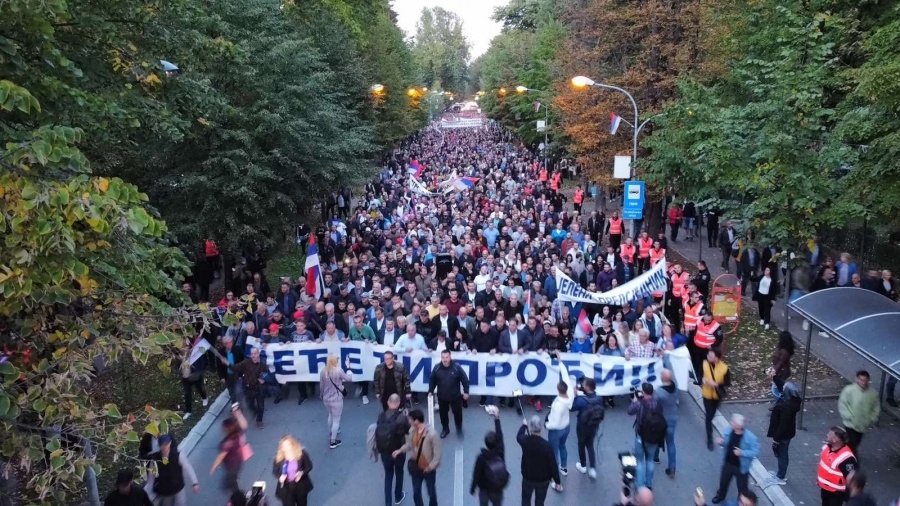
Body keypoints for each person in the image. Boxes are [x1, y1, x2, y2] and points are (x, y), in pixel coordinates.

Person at [393, 409, 442, 506]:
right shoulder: (412, 431)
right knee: (416, 493)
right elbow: (410, 445)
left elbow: (437, 455)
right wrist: (400, 450)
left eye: (410, 419)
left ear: (416, 421)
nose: (409, 421)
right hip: (416, 467)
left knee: (431, 493)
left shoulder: (432, 434)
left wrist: (431, 467)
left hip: (428, 469)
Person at [711, 414, 759, 504]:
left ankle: (741, 502)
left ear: (738, 426)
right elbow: (726, 443)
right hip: (728, 463)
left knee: (742, 487)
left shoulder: (750, 437)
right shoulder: (729, 430)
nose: (730, 423)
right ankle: (720, 496)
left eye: (733, 422)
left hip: (741, 467)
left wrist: (742, 452)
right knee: (723, 481)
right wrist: (722, 442)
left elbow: (756, 451)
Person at [627, 383, 666, 491]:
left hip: (641, 437)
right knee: (650, 460)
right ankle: (648, 484)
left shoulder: (640, 404)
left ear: (643, 392)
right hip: (654, 438)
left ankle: (640, 487)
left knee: (640, 461)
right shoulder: (657, 404)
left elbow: (629, 411)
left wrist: (635, 400)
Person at [517, 415, 562, 504]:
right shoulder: (547, 446)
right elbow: (553, 465)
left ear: (530, 428)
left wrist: (524, 425)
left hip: (528, 478)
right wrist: (557, 482)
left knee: (525, 499)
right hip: (543, 480)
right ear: (541, 428)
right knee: (540, 501)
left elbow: (519, 436)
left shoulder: (525, 441)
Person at [145, 433, 199, 506]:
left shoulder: (178, 455)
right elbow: (151, 476)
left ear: (170, 443)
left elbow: (188, 468)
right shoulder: (155, 459)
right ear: (159, 445)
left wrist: (194, 483)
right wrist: (149, 491)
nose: (164, 446)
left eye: (166, 444)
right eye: (162, 444)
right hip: (165, 491)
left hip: (178, 488)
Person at [469, 405, 508, 505]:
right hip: (497, 488)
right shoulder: (500, 452)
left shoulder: (481, 457)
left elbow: (476, 475)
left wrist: (473, 488)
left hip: (484, 489)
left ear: (486, 443)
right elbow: (500, 435)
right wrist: (497, 418)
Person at [838, 370, 881, 458]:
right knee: (852, 442)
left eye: (865, 380)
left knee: (856, 441)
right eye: (861, 380)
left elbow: (876, 408)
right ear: (856, 379)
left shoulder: (873, 393)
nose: (863, 382)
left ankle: (844, 453)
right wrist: (849, 416)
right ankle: (852, 459)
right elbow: (842, 404)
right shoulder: (849, 390)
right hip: (850, 423)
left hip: (863, 424)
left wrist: (871, 419)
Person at [377, 394, 411, 506]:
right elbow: (408, 431)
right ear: (398, 403)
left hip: (384, 451)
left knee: (388, 474)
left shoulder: (381, 415)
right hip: (398, 450)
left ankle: (388, 502)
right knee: (399, 472)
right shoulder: (401, 417)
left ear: (388, 402)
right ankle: (398, 496)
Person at [428, 349, 470, 438]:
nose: (445, 359)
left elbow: (465, 379)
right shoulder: (437, 368)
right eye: (443, 357)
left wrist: (466, 392)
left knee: (458, 414)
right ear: (441, 357)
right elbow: (432, 380)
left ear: (450, 357)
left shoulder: (457, 367)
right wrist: (430, 391)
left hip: (455, 397)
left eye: (447, 357)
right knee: (443, 414)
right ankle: (445, 429)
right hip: (442, 397)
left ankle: (459, 430)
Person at [766, 378, 801, 485]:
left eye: (785, 388)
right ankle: (780, 473)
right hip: (787, 433)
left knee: (782, 454)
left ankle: (780, 476)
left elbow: (783, 424)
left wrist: (776, 439)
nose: (783, 388)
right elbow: (781, 386)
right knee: (782, 453)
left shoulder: (787, 407)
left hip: (783, 435)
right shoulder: (791, 400)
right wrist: (775, 376)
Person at [210, 404, 250, 495]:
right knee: (232, 479)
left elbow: (221, 456)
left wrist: (214, 466)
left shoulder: (227, 443)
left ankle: (239, 497)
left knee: (231, 483)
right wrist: (238, 414)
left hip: (231, 466)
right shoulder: (238, 433)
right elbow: (244, 425)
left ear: (227, 429)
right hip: (239, 462)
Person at [570, 377, 604, 479]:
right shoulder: (599, 398)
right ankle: (592, 468)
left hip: (582, 427)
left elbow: (571, 407)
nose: (582, 386)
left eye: (584, 384)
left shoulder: (582, 401)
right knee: (590, 445)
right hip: (594, 426)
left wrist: (574, 395)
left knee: (581, 444)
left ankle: (583, 465)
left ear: (588, 387)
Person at [545, 360, 574, 477]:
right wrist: (560, 361)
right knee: (563, 447)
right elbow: (565, 375)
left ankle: (554, 474)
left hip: (556, 430)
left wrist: (546, 425)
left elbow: (555, 424)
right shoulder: (570, 393)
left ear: (558, 390)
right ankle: (564, 467)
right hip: (566, 427)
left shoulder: (557, 405)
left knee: (553, 451)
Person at [320, 355, 353, 449]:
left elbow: (321, 386)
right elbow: (349, 378)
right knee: (336, 419)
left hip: (326, 398)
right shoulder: (339, 371)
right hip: (337, 399)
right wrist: (349, 368)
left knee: (330, 415)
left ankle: (330, 433)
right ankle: (333, 441)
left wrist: (321, 396)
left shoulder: (323, 371)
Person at [818, 426, 857, 506]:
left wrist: (849, 497)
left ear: (835, 440)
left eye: (829, 434)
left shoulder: (846, 458)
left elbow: (851, 478)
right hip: (825, 489)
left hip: (836, 493)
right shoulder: (827, 447)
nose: (827, 435)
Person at [702, 348, 731, 450]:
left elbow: (728, 382)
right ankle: (709, 438)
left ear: (717, 358)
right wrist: (703, 379)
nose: (708, 357)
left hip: (717, 396)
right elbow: (699, 374)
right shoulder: (705, 363)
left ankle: (709, 429)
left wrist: (716, 384)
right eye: (708, 355)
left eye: (711, 356)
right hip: (707, 394)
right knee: (708, 417)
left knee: (711, 415)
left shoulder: (724, 368)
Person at [652, 369, 679, 478]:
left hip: (662, 420)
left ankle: (655, 457)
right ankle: (672, 467)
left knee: (658, 438)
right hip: (673, 418)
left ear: (662, 378)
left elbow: (654, 405)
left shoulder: (659, 392)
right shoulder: (675, 387)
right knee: (671, 443)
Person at [232, 346, 267, 429]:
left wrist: (264, 379)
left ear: (258, 354)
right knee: (250, 404)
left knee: (261, 406)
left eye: (255, 353)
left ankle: (259, 420)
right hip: (248, 388)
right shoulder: (246, 362)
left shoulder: (263, 364)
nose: (253, 355)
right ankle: (255, 411)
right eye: (252, 354)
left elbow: (267, 373)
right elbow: (236, 367)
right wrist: (227, 363)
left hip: (259, 388)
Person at [273, 435, 314, 506]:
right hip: (286, 487)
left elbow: (309, 466)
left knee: (302, 503)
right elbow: (275, 471)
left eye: (288, 445)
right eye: (284, 446)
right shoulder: (279, 456)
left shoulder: (301, 453)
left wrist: (302, 473)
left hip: (300, 484)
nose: (286, 448)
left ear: (293, 444)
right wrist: (280, 477)